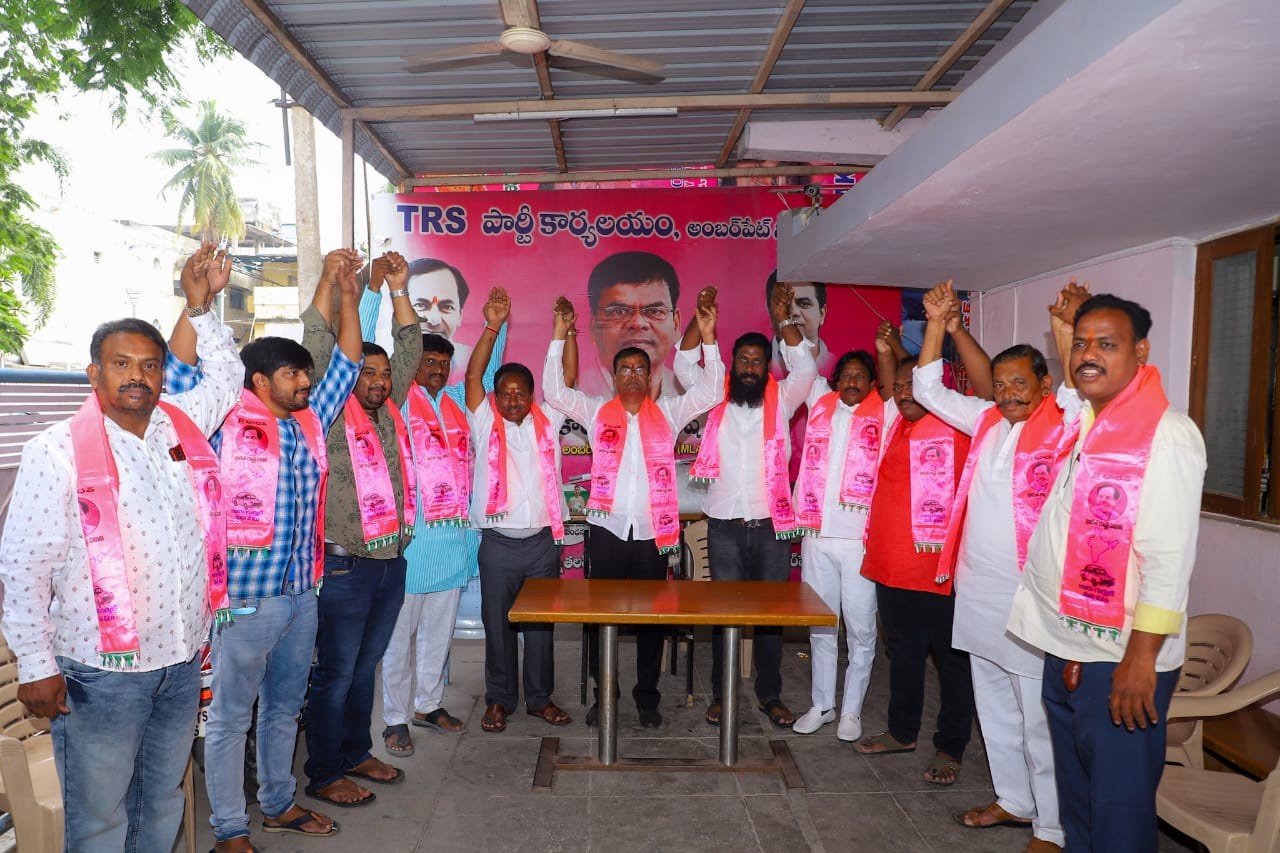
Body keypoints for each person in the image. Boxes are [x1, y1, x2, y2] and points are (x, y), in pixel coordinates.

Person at [0, 244, 243, 851]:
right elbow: (25, 566)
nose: (137, 376)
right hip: (101, 673)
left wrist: (201, 307)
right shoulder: (55, 450)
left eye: (150, 365)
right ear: (95, 374)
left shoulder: (182, 425)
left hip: (182, 659)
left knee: (161, 799)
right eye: (121, 364)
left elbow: (230, 377)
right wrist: (35, 664)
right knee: (101, 813)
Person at [170, 248, 364, 852]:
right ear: (259, 381)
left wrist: (348, 294)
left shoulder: (309, 419)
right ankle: (229, 827)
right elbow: (178, 371)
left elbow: (349, 365)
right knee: (231, 718)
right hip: (245, 603)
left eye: (306, 374)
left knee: (285, 709)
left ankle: (278, 803)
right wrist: (195, 301)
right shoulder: (223, 415)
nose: (307, 382)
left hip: (301, 594)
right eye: (293, 374)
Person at [1007, 293, 1206, 852]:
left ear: (1140, 352)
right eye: (1082, 343)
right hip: (1066, 643)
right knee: (1080, 805)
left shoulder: (1165, 435)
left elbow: (1169, 560)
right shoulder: (1094, 423)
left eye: (1108, 344)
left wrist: (1141, 659)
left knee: (1117, 810)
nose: (1088, 354)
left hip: (1118, 659)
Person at [911, 280, 1088, 852]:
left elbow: (1085, 393)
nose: (1009, 393)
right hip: (978, 588)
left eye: (1021, 383)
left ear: (1044, 386)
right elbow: (928, 387)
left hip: (1030, 594)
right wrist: (938, 321)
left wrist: (1071, 328)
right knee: (992, 699)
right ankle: (1014, 801)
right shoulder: (985, 420)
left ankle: (1054, 827)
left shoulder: (1063, 424)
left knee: (1037, 712)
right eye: (1002, 383)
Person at [543, 291, 723, 728]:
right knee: (599, 617)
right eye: (625, 369)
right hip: (605, 530)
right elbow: (552, 390)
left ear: (650, 375)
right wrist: (557, 336)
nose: (633, 375)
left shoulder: (671, 411)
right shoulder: (593, 411)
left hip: (653, 534)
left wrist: (710, 336)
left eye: (640, 369)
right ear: (613, 375)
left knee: (652, 620)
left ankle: (647, 695)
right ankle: (605, 693)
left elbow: (714, 390)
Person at [364, 269, 513, 757]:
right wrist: (371, 292)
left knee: (436, 636)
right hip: (409, 547)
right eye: (426, 361)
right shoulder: (397, 402)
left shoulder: (455, 404)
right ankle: (394, 718)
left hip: (451, 546)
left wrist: (496, 326)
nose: (435, 369)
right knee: (396, 641)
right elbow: (364, 350)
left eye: (442, 363)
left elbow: (486, 375)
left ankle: (428, 705)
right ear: (411, 364)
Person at [298, 252, 422, 807]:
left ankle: (354, 751)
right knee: (337, 671)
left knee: (365, 666)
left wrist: (397, 289)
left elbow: (411, 351)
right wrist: (335, 285)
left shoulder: (390, 411)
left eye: (382, 374)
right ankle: (324, 771)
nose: (376, 381)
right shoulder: (327, 410)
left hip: (391, 561)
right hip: (345, 562)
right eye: (366, 372)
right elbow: (321, 344)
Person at [852, 323, 975, 788]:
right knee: (902, 656)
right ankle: (902, 732)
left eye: (912, 385)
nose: (903, 393)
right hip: (891, 567)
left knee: (951, 664)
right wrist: (887, 351)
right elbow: (887, 381)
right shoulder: (894, 426)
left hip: (940, 574)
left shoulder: (955, 428)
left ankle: (950, 747)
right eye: (898, 387)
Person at [692, 282, 816, 730]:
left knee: (769, 618)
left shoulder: (783, 399)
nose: (748, 368)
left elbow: (804, 364)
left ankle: (770, 696)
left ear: (768, 366)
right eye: (742, 360)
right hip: (723, 526)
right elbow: (688, 363)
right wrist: (701, 318)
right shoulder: (714, 395)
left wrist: (784, 318)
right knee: (725, 615)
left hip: (771, 527)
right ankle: (724, 696)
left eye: (756, 361)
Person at [465, 288, 573, 733]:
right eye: (505, 393)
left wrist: (564, 334)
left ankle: (540, 700)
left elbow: (565, 379)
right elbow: (473, 378)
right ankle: (499, 700)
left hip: (543, 545)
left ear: (531, 395)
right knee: (498, 626)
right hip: (498, 546)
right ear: (496, 397)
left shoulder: (548, 421)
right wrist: (492, 327)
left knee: (542, 629)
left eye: (520, 393)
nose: (512, 400)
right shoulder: (485, 421)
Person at [789, 349, 885, 743]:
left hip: (858, 541)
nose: (851, 382)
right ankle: (823, 705)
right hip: (815, 536)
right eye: (845, 375)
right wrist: (786, 320)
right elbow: (801, 360)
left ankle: (851, 711)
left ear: (872, 382)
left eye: (860, 376)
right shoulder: (820, 404)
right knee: (821, 627)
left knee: (861, 630)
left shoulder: (886, 414)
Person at [583, 250, 685, 398]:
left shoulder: (689, 398)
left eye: (654, 311)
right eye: (619, 311)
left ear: (676, 324)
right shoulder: (573, 398)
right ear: (594, 326)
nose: (637, 323)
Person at [369, 256, 472, 385]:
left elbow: (480, 380)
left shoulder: (457, 395)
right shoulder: (393, 387)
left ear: (460, 315)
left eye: (446, 307)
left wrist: (494, 324)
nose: (434, 321)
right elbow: (359, 356)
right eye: (421, 305)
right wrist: (374, 288)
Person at [766, 271, 833, 376]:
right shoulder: (757, 366)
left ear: (822, 314)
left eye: (804, 304)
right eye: (784, 304)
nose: (794, 312)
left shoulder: (837, 367)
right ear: (770, 313)